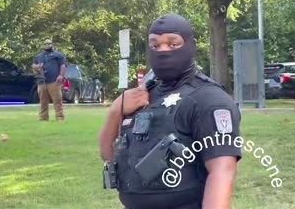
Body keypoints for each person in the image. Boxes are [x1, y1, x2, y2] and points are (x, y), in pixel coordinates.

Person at [99, 14, 241, 209]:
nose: (163, 50)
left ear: (190, 46)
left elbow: (222, 171)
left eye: (173, 44)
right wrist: (116, 111)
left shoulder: (209, 99)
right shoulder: (141, 96)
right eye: (155, 45)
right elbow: (109, 155)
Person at [31, 39, 66, 121]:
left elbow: (63, 65)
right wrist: (37, 67)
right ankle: (43, 118)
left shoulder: (58, 55)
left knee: (57, 100)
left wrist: (61, 75)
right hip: (42, 81)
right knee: (43, 101)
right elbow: (33, 65)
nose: (47, 45)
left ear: (52, 45)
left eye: (49, 44)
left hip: (54, 80)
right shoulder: (39, 56)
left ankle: (60, 117)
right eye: (45, 44)